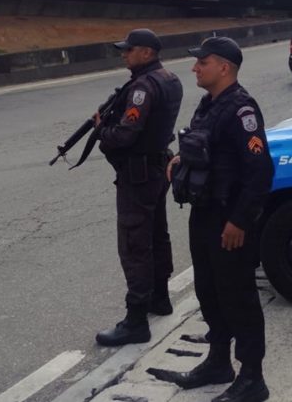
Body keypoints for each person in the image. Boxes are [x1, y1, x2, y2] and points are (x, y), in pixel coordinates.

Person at [148, 37, 274, 402]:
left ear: (224, 67)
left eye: (202, 62)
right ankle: (219, 361)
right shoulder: (208, 105)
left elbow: (259, 172)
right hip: (204, 214)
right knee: (209, 290)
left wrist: (240, 221)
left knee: (239, 297)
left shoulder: (241, 111)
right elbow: (206, 151)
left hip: (228, 219)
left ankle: (253, 378)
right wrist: (181, 163)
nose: (195, 68)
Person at [94, 28, 183, 347]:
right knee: (157, 235)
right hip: (157, 168)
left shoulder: (142, 87)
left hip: (138, 174)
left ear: (147, 52)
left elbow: (126, 134)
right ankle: (160, 296)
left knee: (134, 242)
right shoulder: (169, 78)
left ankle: (135, 321)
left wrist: (103, 131)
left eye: (129, 50)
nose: (124, 54)